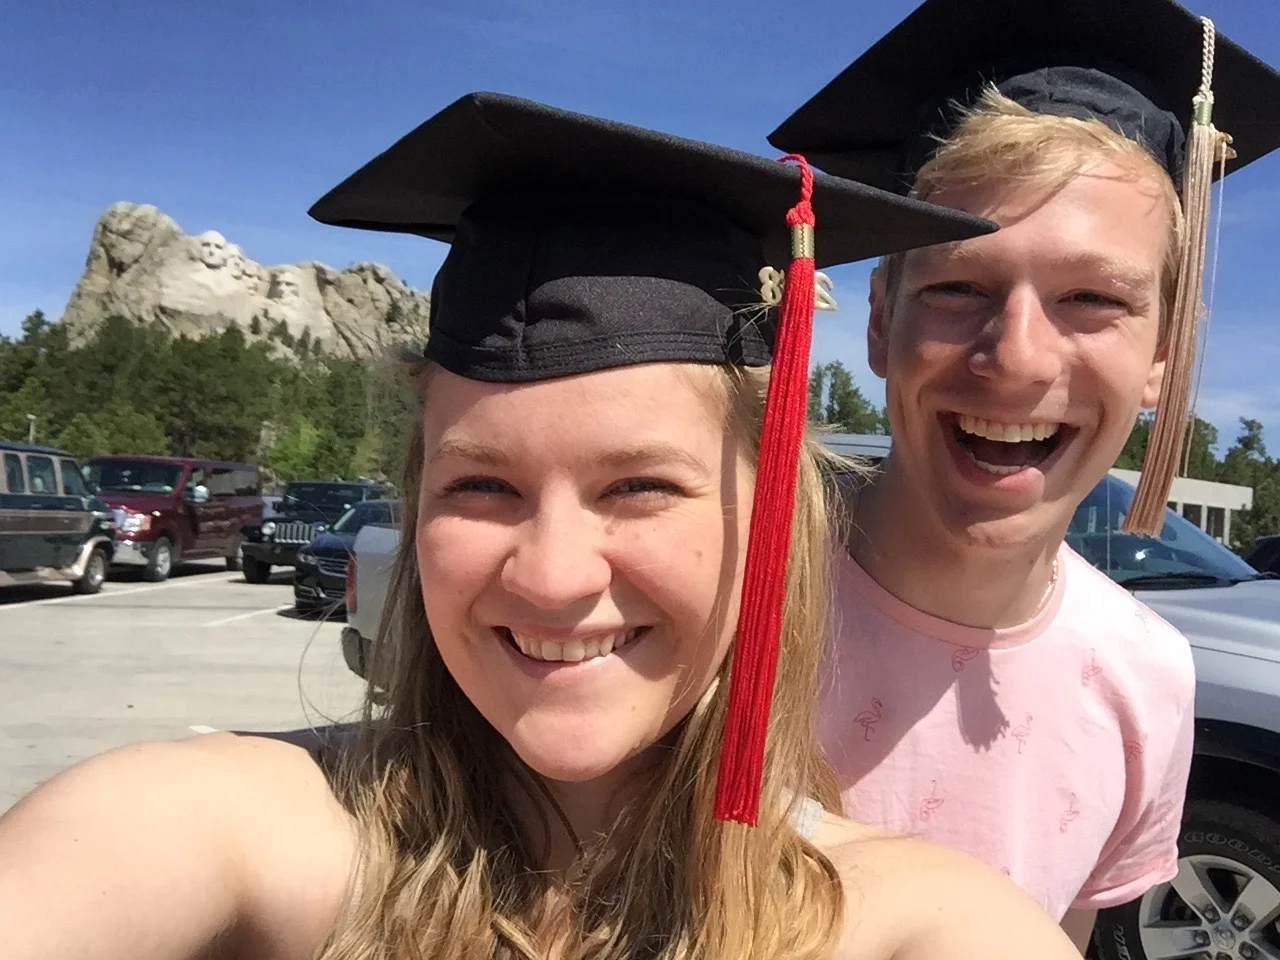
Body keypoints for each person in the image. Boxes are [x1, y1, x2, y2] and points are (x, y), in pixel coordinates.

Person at [0, 93, 1079, 959]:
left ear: (772, 521)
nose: (553, 576)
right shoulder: (254, 832)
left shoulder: (908, 924)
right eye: (480, 487)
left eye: (638, 486)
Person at [766, 0, 1280, 951]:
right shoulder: (724, 600)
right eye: (959, 287)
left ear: (1164, 352)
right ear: (879, 321)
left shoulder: (1147, 683)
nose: (1017, 357)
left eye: (1092, 297)